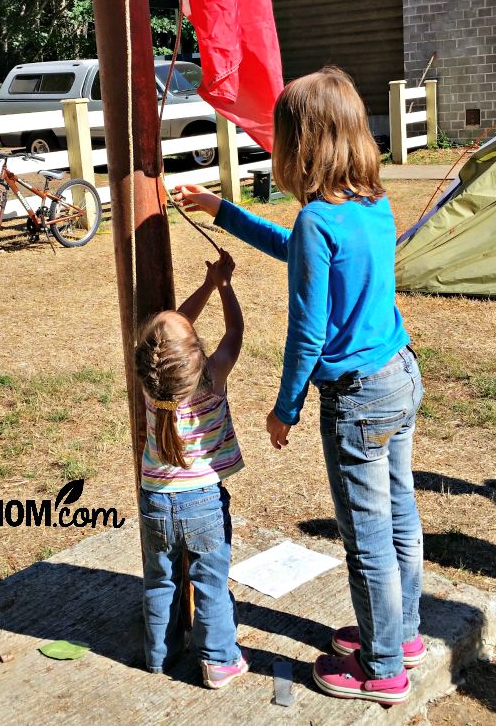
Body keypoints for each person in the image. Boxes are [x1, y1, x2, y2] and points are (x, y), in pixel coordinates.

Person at [176, 66, 425, 708]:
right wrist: (223, 211)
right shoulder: (371, 202)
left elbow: (306, 334)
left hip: (357, 400)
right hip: (399, 377)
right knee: (399, 516)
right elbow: (299, 250)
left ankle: (382, 668)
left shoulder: (320, 218)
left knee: (366, 536)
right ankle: (404, 634)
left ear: (302, 145)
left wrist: (285, 408)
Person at [135, 249, 250, 689]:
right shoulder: (213, 375)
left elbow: (170, 331)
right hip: (203, 500)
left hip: (154, 499)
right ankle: (219, 660)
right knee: (210, 582)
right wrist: (223, 286)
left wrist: (204, 286)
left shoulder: (149, 382)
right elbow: (235, 330)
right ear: (198, 356)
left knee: (160, 580)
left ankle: (158, 655)